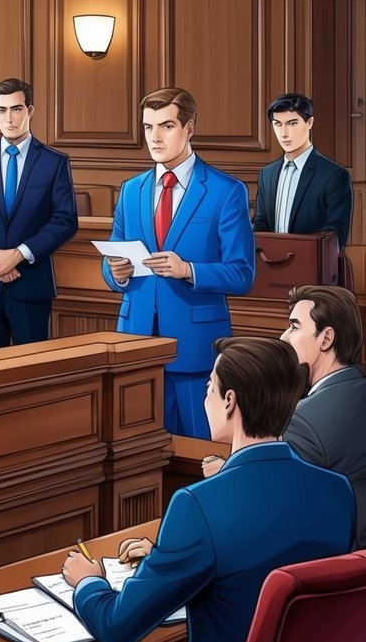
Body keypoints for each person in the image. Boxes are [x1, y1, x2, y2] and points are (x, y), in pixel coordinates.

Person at [62, 336, 354, 642]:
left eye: (209, 387)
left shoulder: (197, 505)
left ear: (230, 401)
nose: (205, 398)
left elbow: (117, 627)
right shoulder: (337, 491)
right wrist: (166, 553)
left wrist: (89, 582)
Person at [103, 87, 254, 438]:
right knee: (136, 455)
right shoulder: (130, 190)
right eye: (148, 127)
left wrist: (188, 270)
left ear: (189, 129)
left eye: (166, 126)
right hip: (135, 345)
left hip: (196, 350)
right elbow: (111, 261)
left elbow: (243, 273)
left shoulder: (225, 191)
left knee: (201, 453)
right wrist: (117, 273)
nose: (154, 137)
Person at [203, 284, 366, 547]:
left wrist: (232, 474)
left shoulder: (304, 420)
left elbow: (273, 504)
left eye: (294, 326)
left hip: (331, 560)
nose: (284, 337)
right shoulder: (357, 387)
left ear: (326, 339)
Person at [0, 78, 78, 350]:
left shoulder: (54, 162)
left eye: (16, 109)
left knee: (31, 373)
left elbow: (65, 220)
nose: (9, 118)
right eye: (2, 110)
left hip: (31, 284)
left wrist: (18, 254)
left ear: (30, 111)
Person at [251, 93, 351, 249]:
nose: (284, 133)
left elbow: (334, 235)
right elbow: (260, 225)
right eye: (277, 124)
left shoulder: (334, 175)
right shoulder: (267, 174)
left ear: (309, 122)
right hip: (269, 265)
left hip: (311, 267)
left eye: (292, 123)